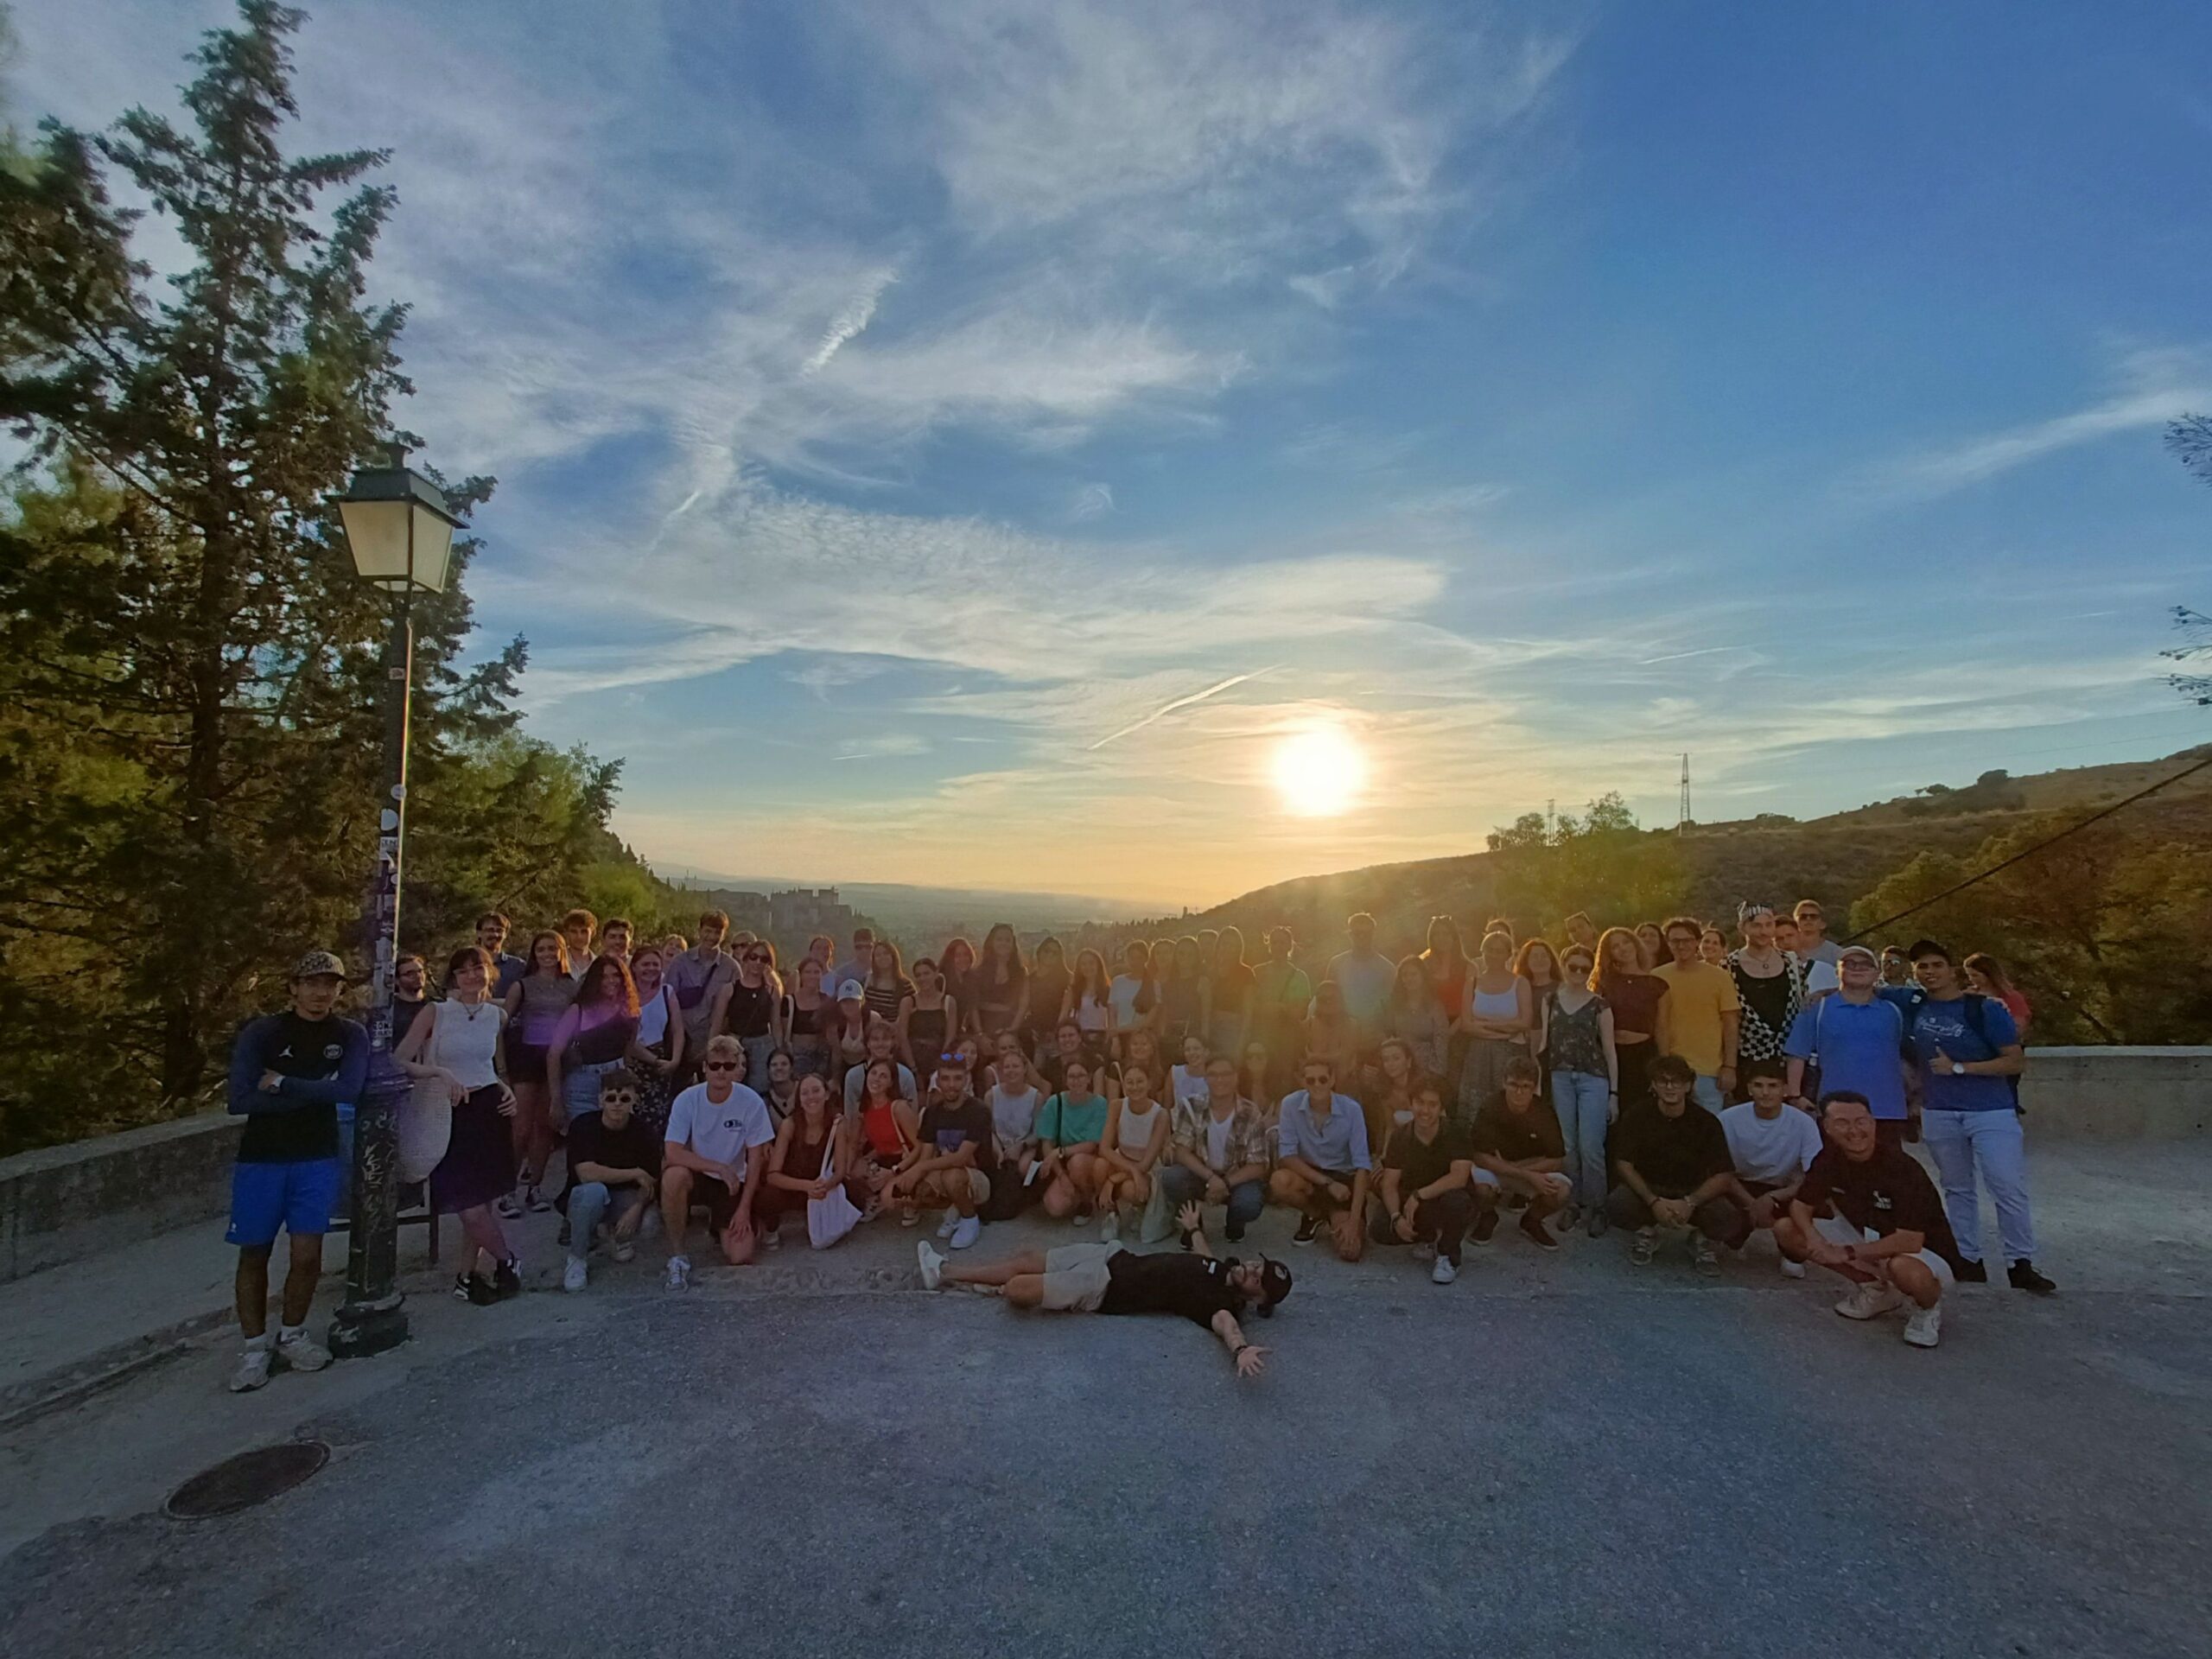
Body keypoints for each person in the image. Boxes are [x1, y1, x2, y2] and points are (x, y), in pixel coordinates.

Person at [917, 1201, 1292, 1378]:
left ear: (1257, 1300)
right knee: (1026, 1256)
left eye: (1258, 1279)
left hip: (1103, 1287)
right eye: (1258, 1264)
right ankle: (947, 1271)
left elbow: (1227, 1326)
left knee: (1017, 1290)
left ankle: (952, 1275)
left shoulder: (1221, 1304)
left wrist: (1241, 1350)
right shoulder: (1224, 1271)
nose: (1252, 1269)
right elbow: (1204, 1259)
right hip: (1111, 1256)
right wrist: (1194, 1228)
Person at [222, 950, 365, 1390]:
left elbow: (349, 1090)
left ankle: (293, 1333)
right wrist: (318, 1091)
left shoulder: (349, 1033)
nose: (321, 992)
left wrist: (283, 1084)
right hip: (262, 1157)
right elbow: (239, 1099)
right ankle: (252, 1348)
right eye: (312, 983)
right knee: (254, 1252)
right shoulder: (263, 1032)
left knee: (307, 1254)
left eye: (331, 984)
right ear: (294, 987)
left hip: (316, 1155)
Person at [1904, 940, 2053, 1294]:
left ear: (1952, 968)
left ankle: (2020, 1262)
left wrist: (1959, 1067)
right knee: (1957, 1188)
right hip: (1940, 1110)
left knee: (2006, 1183)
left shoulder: (1984, 1009)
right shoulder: (1913, 1004)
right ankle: (1968, 1258)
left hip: (1990, 1109)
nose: (1929, 972)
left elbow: (2014, 1060)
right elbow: (1862, 983)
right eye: (1922, 967)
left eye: (1936, 965)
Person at [1776, 1092, 1959, 1348]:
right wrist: (1815, 1240)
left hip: (1923, 1251)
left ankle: (1927, 1308)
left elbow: (1910, 1240)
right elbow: (1800, 1204)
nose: (1854, 1131)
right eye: (1842, 1122)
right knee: (1787, 1230)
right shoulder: (1828, 1159)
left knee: (1903, 1269)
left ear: (1873, 1123)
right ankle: (1876, 1290)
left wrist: (1847, 1252)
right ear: (1826, 1127)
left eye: (1861, 1121)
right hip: (1869, 1236)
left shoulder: (1901, 1168)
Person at [1605, 1053, 1748, 1274]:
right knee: (1617, 1204)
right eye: (1663, 1081)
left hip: (1692, 1190)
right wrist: (1653, 1202)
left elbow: (1723, 1174)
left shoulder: (1707, 1122)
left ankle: (1700, 1239)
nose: (1670, 1087)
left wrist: (1690, 1202)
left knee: (1728, 1217)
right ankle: (1647, 1231)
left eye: (1677, 1081)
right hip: (1651, 1187)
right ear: (1653, 1084)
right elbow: (1624, 1163)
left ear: (1689, 1085)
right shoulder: (1637, 1115)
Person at [660, 1035, 776, 1286]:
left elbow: (755, 1159)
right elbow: (673, 1152)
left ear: (738, 1068)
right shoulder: (687, 1100)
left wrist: (744, 1209)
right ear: (704, 1068)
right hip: (702, 1174)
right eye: (714, 1065)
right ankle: (678, 1255)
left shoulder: (751, 1102)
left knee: (740, 1256)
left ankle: (725, 1223)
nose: (721, 1072)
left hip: (734, 1181)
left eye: (728, 1066)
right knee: (673, 1175)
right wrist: (718, 1167)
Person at [1784, 945, 1913, 1146]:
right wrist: (1795, 1096)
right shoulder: (1817, 1008)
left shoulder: (1894, 1011)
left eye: (1865, 964)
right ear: (1837, 972)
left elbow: (1907, 1056)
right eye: (1849, 964)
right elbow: (1796, 1054)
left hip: (1887, 1109)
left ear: (1877, 973)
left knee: (1888, 1174)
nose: (1857, 968)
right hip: (1834, 1109)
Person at [557, 1065, 660, 1292]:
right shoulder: (583, 1126)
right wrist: (635, 1172)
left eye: (624, 1098)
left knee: (649, 1224)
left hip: (625, 1197)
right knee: (593, 1192)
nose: (617, 1104)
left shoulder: (644, 1132)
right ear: (600, 1099)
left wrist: (637, 1209)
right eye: (611, 1097)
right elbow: (586, 1173)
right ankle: (577, 1258)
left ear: (634, 1100)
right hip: (587, 1196)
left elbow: (651, 1180)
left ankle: (613, 1232)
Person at [1719, 1058, 1824, 1277]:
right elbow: (1718, 1169)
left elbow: (1814, 1175)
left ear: (1785, 1089)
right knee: (1722, 1228)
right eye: (1758, 1085)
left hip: (1783, 1188)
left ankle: (1790, 1253)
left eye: (1773, 1086)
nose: (1765, 1093)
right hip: (1738, 1185)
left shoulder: (1804, 1123)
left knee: (1792, 1232)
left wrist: (1774, 1197)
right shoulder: (1728, 1119)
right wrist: (1752, 1204)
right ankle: (1724, 1236)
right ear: (1749, 1088)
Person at [1542, 941, 1618, 1236]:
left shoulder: (1600, 1004)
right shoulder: (1550, 1000)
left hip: (1593, 1079)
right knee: (1567, 1145)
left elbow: (1610, 1050)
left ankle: (1597, 1206)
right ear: (1563, 966)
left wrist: (1614, 1094)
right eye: (1572, 966)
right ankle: (1572, 1202)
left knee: (1591, 1146)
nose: (1578, 972)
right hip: (1560, 1076)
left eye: (1584, 968)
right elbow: (1544, 1043)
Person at [1371, 1079, 1477, 1284]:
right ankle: (1429, 1238)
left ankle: (1448, 1256)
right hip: (1415, 1201)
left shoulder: (1456, 1132)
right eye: (1420, 1102)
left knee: (1458, 1201)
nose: (1425, 1110)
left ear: (1441, 1108)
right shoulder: (1401, 1136)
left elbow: (1459, 1176)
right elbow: (1390, 1184)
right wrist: (1395, 1217)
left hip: (1445, 1197)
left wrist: (1419, 1195)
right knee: (1380, 1229)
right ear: (1411, 1104)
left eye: (1432, 1104)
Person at [1269, 1055, 1371, 1258]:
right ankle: (1314, 1214)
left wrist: (1352, 1222)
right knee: (1280, 1181)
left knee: (1350, 1251)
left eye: (1323, 1079)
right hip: (1311, 1175)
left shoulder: (1352, 1110)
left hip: (1344, 1180)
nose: (1317, 1085)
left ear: (1333, 1080)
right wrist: (1327, 1182)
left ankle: (1334, 1216)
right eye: (1310, 1080)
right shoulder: (1290, 1104)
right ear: (1302, 1081)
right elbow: (1287, 1156)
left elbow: (1362, 1167)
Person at [1161, 1055, 1271, 1243]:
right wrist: (1211, 1178)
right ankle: (1194, 1224)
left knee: (1249, 1204)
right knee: (1172, 1178)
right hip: (1202, 1173)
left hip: (1236, 1177)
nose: (1220, 1080)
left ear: (1236, 1077)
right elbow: (1181, 1151)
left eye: (1226, 1074)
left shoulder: (1251, 1112)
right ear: (1205, 1077)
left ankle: (1235, 1223)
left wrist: (1224, 1183)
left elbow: (1258, 1165)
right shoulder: (1191, 1105)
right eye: (1213, 1075)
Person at [501, 930, 572, 1216]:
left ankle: (535, 1188)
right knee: (520, 1129)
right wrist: (502, 1068)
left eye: (552, 949)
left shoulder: (571, 986)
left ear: (561, 952)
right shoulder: (522, 985)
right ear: (534, 954)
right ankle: (507, 1190)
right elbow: (501, 1026)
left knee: (546, 1126)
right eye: (541, 949)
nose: (547, 954)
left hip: (558, 1056)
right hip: (526, 1058)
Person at [1466, 1057, 1569, 1251]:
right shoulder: (1490, 1107)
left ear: (1534, 1088)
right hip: (1505, 1170)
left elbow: (1556, 1159)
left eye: (1526, 1086)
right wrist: (1524, 1174)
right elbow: (1479, 1156)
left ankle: (1531, 1221)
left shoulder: (1544, 1112)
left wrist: (1514, 1170)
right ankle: (1488, 1216)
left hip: (1513, 1168)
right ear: (1504, 1082)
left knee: (1561, 1191)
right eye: (1513, 1084)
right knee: (1479, 1186)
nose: (1519, 1092)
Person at [896, 1056, 994, 1249]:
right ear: (938, 1081)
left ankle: (970, 1219)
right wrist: (910, 1182)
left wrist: (920, 1168)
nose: (951, 1085)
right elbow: (925, 1155)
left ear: (966, 1079)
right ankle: (954, 1208)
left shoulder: (978, 1110)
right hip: (945, 1171)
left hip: (978, 1177)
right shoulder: (932, 1112)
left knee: (952, 1176)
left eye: (957, 1078)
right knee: (914, 1190)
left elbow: (961, 1157)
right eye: (946, 1078)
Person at [545, 955, 640, 1147]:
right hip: (583, 1083)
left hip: (617, 1083)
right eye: (604, 977)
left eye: (615, 975)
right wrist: (555, 1099)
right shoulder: (578, 1010)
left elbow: (629, 1050)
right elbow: (554, 1053)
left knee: (615, 1146)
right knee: (584, 1144)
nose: (611, 981)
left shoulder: (629, 1010)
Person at [1654, 915, 1740, 1114]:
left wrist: (1730, 1066)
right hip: (1671, 1069)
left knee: (1708, 1131)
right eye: (1675, 941)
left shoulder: (1720, 977)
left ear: (1697, 942)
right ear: (1668, 943)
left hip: (1709, 1070)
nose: (1681, 945)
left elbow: (1730, 1024)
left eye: (1687, 940)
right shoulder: (1657, 976)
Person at [758, 1072, 849, 1250]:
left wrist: (826, 1186)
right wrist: (807, 1186)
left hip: (821, 1184)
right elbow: (773, 1175)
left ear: (827, 1094)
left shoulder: (838, 1123)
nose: (811, 1097)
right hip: (794, 1186)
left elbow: (840, 1170)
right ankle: (771, 1230)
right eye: (805, 1093)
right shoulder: (789, 1124)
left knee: (854, 1191)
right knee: (767, 1196)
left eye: (816, 1091)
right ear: (799, 1098)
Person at [1454, 929, 1532, 1130]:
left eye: (1499, 951)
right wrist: (1501, 1031)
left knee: (1507, 1101)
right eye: (1489, 950)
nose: (1494, 955)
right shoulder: (1473, 983)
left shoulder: (1520, 983)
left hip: (1510, 1053)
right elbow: (1466, 1024)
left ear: (1508, 954)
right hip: (1478, 1054)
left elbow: (1525, 1021)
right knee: (1476, 1105)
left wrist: (1486, 1024)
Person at [1727, 903, 1808, 1089]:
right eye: (1756, 926)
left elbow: (1804, 1001)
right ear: (1742, 928)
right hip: (1747, 1057)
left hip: (1789, 1058)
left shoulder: (1792, 962)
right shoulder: (1728, 965)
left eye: (1768, 925)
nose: (1763, 932)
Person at [1096, 1063, 1172, 1239]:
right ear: (1123, 1085)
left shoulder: (1160, 1115)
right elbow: (1104, 1148)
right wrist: (1127, 1172)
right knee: (1099, 1165)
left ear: (1149, 1083)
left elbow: (1146, 1163)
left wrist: (1113, 1180)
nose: (1135, 1087)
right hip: (1122, 1159)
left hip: (1147, 1168)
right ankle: (1111, 1213)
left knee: (1130, 1189)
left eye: (1140, 1081)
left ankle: (1141, 1207)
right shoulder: (1116, 1106)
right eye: (1130, 1082)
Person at [1035, 1055, 1111, 1224]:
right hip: (1063, 1162)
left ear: (1089, 1078)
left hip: (1089, 1160)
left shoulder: (1099, 1104)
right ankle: (1075, 1193)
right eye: (1072, 1076)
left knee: (1077, 1163)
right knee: (1054, 1207)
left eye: (1081, 1075)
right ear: (1065, 1080)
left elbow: (1091, 1144)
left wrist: (1060, 1151)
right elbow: (1046, 1143)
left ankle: (1088, 1201)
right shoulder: (1055, 1103)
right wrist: (1061, 1175)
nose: (1076, 1080)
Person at [850, 1058, 923, 1222]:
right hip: (883, 1157)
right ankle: (874, 1199)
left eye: (883, 1076)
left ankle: (912, 1203)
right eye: (874, 1073)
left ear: (891, 1083)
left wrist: (893, 1171)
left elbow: (919, 1147)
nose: (876, 1079)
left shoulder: (899, 1107)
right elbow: (873, 1144)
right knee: (854, 1170)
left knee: (889, 1198)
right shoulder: (863, 1110)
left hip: (906, 1161)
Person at [624, 944, 684, 1136]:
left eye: (655, 964)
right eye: (645, 964)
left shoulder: (667, 992)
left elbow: (678, 1029)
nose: (651, 969)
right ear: (634, 966)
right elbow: (626, 1039)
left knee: (657, 1119)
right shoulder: (623, 995)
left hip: (661, 1064)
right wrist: (654, 1060)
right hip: (630, 1061)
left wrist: (675, 1060)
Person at [667, 910, 734, 1075]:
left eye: (717, 932)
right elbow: (667, 998)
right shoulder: (680, 963)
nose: (711, 937)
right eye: (708, 931)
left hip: (714, 1042)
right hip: (683, 1040)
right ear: (699, 931)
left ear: (724, 935)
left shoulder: (731, 967)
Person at [1251, 926, 1313, 1097]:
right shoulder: (1257, 972)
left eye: (1282, 942)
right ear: (1269, 945)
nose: (1278, 946)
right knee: (1258, 1079)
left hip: (1288, 1040)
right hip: (1260, 1036)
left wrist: (1278, 1008)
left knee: (1284, 1079)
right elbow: (1249, 1006)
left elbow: (1301, 1011)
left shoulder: (1300, 976)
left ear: (1289, 946)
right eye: (1275, 942)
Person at [1325, 912, 1396, 1053]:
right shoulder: (1336, 964)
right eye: (1358, 933)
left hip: (1374, 1042)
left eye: (1367, 933)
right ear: (1350, 934)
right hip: (1341, 1040)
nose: (1362, 937)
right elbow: (1325, 999)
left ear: (1373, 934)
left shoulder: (1388, 968)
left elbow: (1393, 1007)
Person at [715, 936, 780, 1087]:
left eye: (763, 959)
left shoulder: (772, 992)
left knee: (761, 1089)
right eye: (754, 957)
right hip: (735, 1043)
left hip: (763, 1045)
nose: (758, 962)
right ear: (746, 959)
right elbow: (717, 1023)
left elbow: (776, 1024)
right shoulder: (729, 989)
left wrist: (779, 1052)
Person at [1382, 953, 1450, 1082]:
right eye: (1405, 975)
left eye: (1413, 974)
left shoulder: (1435, 1005)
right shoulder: (1394, 1005)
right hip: (1400, 1068)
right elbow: (1388, 1035)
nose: (1409, 978)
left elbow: (1441, 1039)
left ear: (1423, 976)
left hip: (1428, 1068)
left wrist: (1438, 1072)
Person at [842, 1016, 917, 1114]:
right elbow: (849, 1114)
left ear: (893, 1043)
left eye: (885, 1039)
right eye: (875, 1039)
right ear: (867, 1043)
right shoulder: (853, 1076)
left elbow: (913, 1113)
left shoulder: (906, 1075)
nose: (880, 1043)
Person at [1301, 979, 1363, 1097]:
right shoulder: (1307, 1026)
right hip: (1313, 1089)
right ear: (1317, 1002)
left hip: (1344, 1091)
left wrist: (1315, 1057)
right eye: (1323, 999)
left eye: (1333, 998)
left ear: (1341, 1001)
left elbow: (1344, 1057)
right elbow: (1300, 1063)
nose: (1328, 1002)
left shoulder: (1352, 1025)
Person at [969, 923, 1028, 1046]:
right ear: (992, 942)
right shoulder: (978, 972)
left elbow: (1023, 1006)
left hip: (1009, 1027)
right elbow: (973, 1006)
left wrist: (1012, 1030)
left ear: (1013, 944)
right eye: (999, 939)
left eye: (1007, 940)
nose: (1003, 943)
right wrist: (980, 1034)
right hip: (982, 1027)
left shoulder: (1020, 973)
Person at [898, 955, 957, 1075]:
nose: (922, 978)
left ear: (936, 974)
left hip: (939, 1062)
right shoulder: (908, 1002)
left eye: (926, 973)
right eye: (918, 975)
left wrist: (940, 1064)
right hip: (912, 1062)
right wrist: (913, 1068)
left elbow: (950, 1037)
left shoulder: (948, 1002)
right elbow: (902, 1037)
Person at [779, 956, 833, 1081]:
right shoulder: (789, 1002)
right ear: (801, 975)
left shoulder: (827, 1001)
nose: (812, 976)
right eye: (808, 972)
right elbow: (783, 1032)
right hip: (797, 1057)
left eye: (816, 972)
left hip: (821, 1057)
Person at [1206, 927, 1255, 1060]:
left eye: (1232, 945)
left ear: (1239, 948)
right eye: (1224, 943)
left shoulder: (1246, 973)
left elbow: (1248, 1014)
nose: (1227, 948)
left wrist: (1240, 1046)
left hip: (1233, 1030)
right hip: (1210, 1027)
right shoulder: (1211, 971)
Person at [1157, 935, 1210, 1052]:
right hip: (1169, 1037)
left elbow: (1206, 1017)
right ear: (1175, 955)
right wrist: (1161, 1037)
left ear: (1197, 957)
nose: (1185, 957)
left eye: (1190, 954)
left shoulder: (1202, 981)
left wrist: (1204, 1043)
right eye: (1181, 953)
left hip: (1193, 1038)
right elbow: (1164, 1013)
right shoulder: (1167, 981)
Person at [1022, 936, 1071, 1060]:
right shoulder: (1030, 979)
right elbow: (1025, 1006)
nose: (1050, 955)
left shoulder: (1066, 978)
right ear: (1040, 952)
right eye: (1047, 950)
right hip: (1036, 1035)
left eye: (1055, 953)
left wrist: (1056, 1031)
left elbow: (1067, 1008)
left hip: (1059, 1037)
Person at [1963, 952, 2032, 1038]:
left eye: (1975, 975)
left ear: (1989, 974)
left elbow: (2018, 1028)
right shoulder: (1968, 995)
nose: (1971, 979)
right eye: (1969, 975)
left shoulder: (2011, 996)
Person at [1107, 938, 1157, 1057]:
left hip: (1142, 1040)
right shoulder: (1118, 981)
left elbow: (1148, 1021)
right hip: (1119, 1039)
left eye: (1139, 958)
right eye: (1132, 958)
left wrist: (1118, 1030)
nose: (1135, 962)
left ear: (1146, 958)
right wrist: (1115, 1039)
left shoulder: (1153, 984)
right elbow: (1112, 1013)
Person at [862, 939, 913, 1032]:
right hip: (871, 1034)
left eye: (886, 953)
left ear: (893, 956)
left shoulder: (905, 985)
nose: (882, 957)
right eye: (878, 955)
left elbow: (912, 1010)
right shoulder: (868, 982)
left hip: (895, 1034)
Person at [475, 912, 527, 1000]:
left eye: (500, 931)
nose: (495, 935)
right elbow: (453, 995)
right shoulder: (465, 963)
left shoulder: (518, 966)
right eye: (490, 930)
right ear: (479, 933)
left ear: (505, 935)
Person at [1167, 1033, 1212, 1110]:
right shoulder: (1175, 1072)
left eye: (1196, 1049)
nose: (1192, 1053)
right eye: (1187, 1050)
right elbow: (1167, 1106)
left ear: (1206, 1052)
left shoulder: (1215, 1076)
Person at [391, 953, 431, 1032]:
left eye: (420, 971)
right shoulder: (389, 1011)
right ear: (397, 980)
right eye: (410, 974)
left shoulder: (438, 1006)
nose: (418, 976)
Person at [560, 908, 598, 986]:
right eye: (574, 931)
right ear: (566, 933)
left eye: (584, 932)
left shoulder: (599, 965)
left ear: (593, 933)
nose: (579, 937)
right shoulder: (557, 961)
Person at [834, 926, 876, 995]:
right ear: (854, 947)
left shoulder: (882, 972)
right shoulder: (842, 973)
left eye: (868, 947)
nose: (864, 950)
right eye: (859, 947)